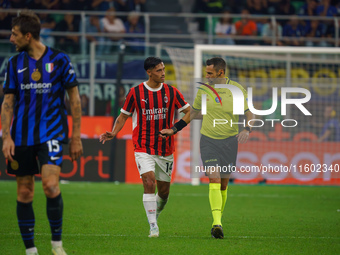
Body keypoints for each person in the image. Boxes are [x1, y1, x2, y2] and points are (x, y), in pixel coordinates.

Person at [1, 11, 83, 255]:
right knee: (25, 190)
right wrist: (6, 136)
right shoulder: (13, 64)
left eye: (14, 34)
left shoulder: (60, 60)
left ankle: (57, 245)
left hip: (52, 133)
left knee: (50, 185)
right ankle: (31, 250)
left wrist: (76, 137)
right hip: (21, 137)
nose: (11, 39)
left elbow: (75, 99)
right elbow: (7, 102)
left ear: (28, 35)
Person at [99, 57, 190, 238]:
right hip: (143, 146)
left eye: (163, 69)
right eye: (158, 70)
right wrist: (114, 132)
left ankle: (154, 214)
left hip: (165, 148)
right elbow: (123, 116)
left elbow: (190, 112)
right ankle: (153, 227)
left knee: (164, 192)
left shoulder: (172, 92)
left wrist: (173, 129)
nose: (163, 73)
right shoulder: (135, 92)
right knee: (149, 182)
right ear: (149, 72)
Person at [190, 57, 254, 238]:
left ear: (221, 72)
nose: (207, 76)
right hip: (208, 140)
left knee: (224, 185)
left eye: (210, 73)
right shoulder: (203, 89)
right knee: (214, 178)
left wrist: (247, 129)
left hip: (229, 142)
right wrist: (178, 122)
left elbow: (249, 112)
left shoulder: (237, 90)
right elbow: (195, 112)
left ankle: (218, 219)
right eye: (206, 73)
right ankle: (216, 223)